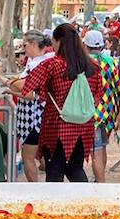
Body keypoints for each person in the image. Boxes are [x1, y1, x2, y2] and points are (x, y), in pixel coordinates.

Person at [22, 23, 103, 182]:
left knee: (54, 172)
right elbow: (97, 96)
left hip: (56, 127)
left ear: (59, 42)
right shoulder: (93, 66)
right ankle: (84, 204)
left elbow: (28, 86)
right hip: (83, 126)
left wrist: (8, 84)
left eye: (53, 42)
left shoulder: (52, 65)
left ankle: (54, 206)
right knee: (75, 168)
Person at [7, 31, 55, 181]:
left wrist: (9, 85)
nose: (23, 48)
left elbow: (29, 92)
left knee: (28, 157)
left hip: (33, 118)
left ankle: (34, 190)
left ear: (34, 44)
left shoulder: (37, 64)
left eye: (25, 44)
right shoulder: (41, 61)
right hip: (37, 116)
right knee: (42, 156)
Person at [86, 29, 120, 183]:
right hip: (108, 114)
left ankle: (101, 185)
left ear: (86, 45)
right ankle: (100, 180)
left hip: (92, 113)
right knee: (101, 148)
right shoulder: (111, 62)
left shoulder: (85, 62)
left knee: (96, 151)